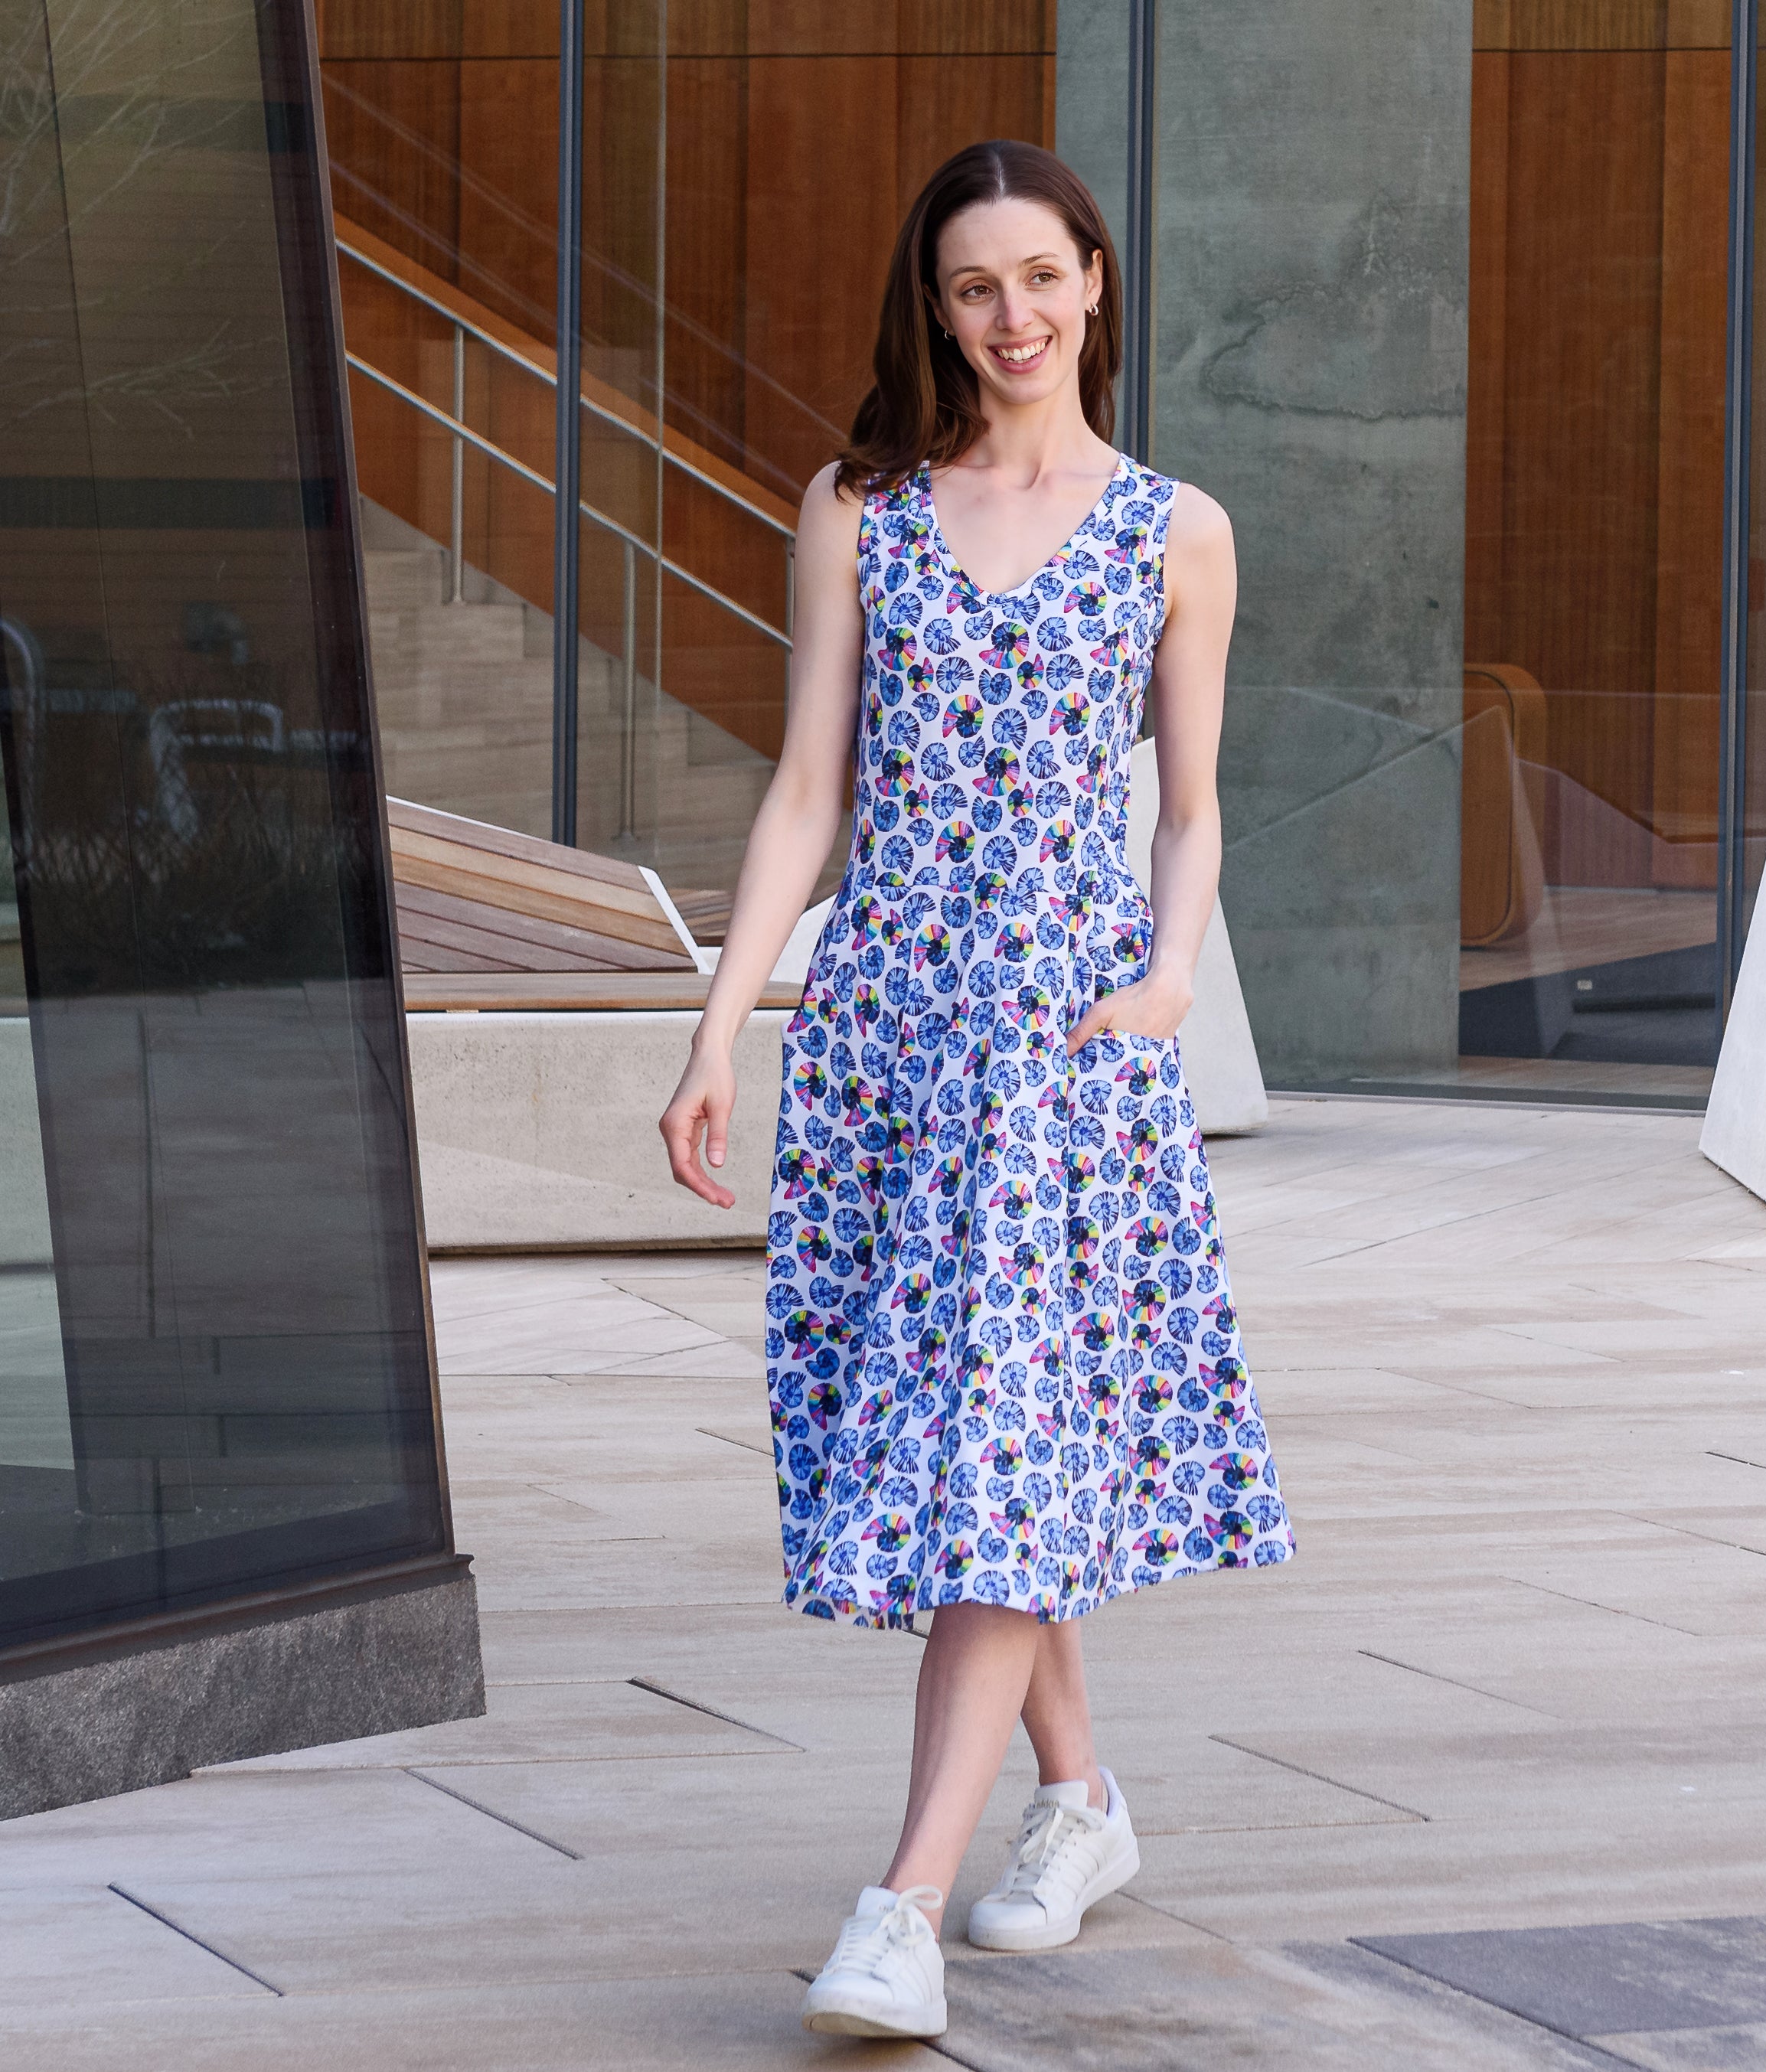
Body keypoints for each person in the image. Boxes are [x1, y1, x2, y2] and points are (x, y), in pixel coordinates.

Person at [658, 137, 1294, 2043]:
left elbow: (1185, 811)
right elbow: (805, 791)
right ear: (931, 309)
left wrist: (1167, 981)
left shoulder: (1175, 527)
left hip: (1068, 1044)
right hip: (890, 1032)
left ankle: (900, 1904)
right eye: (970, 288)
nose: (1010, 318)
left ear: (1095, 282)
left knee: (993, 1435)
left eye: (1039, 277)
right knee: (966, 1439)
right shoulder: (859, 505)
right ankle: (1079, 1798)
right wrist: (719, 1022)